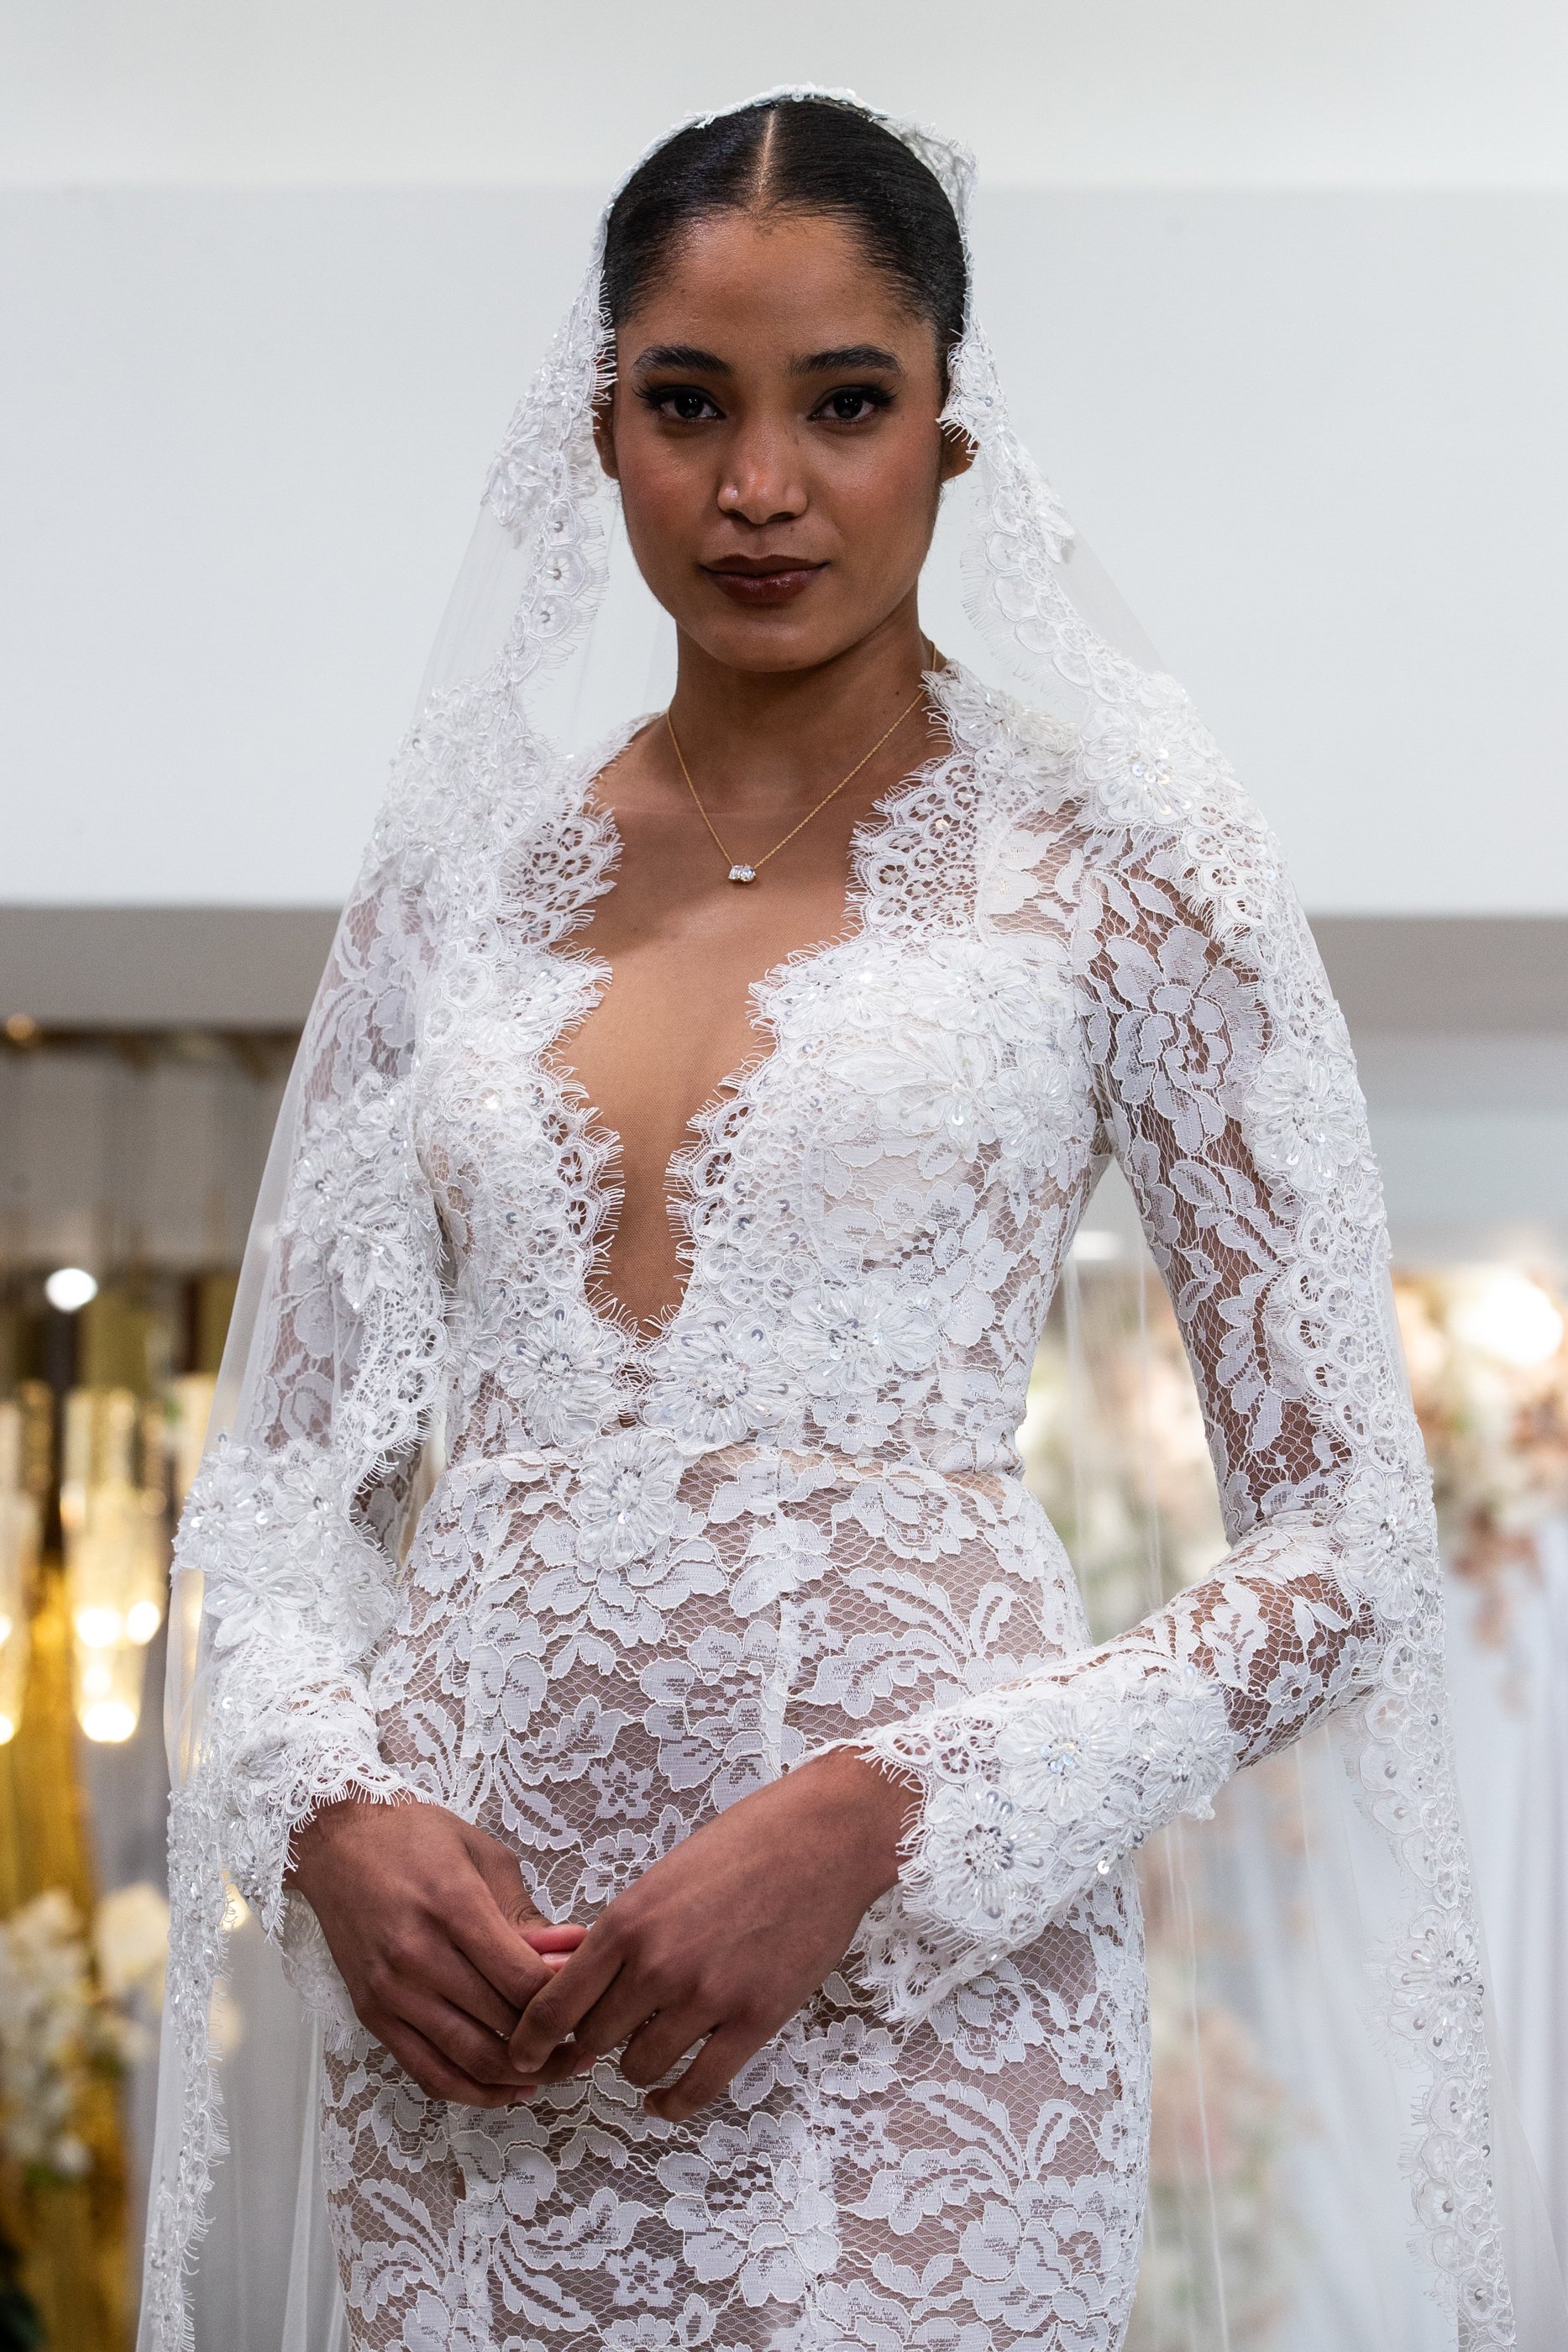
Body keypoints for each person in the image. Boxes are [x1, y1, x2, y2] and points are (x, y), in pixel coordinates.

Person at [141, 91, 1558, 2352]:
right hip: (471, 2019)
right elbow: (286, 1503)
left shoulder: (1124, 872)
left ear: (952, 434)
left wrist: (888, 1815)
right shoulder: (457, 892)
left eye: (845, 403)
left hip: (914, 2000)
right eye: (688, 403)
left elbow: (1348, 1541)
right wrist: (333, 1813)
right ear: (599, 428)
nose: (760, 487)